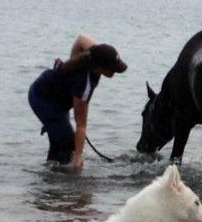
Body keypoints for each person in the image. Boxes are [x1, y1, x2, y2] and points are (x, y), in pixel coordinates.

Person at [28, 35, 127, 170]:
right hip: (43, 99)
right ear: (100, 67)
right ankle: (59, 181)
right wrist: (78, 157)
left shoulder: (93, 54)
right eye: (113, 68)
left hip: (53, 94)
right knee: (68, 144)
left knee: (61, 138)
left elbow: (81, 39)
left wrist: (73, 57)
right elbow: (81, 124)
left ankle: (50, 179)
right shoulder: (84, 83)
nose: (115, 71)